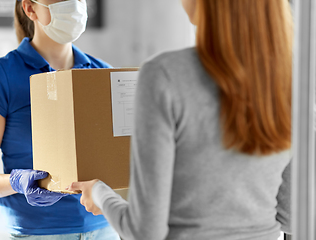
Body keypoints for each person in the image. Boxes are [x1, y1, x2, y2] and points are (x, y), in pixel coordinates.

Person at [67, 0, 293, 239]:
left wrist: (100, 194)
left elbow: (145, 232)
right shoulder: (290, 78)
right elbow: (291, 215)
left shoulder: (164, 75)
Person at [0, 0, 120, 239]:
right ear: (30, 8)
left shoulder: (103, 73)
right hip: (30, 233)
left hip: (103, 229)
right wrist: (17, 181)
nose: (75, 5)